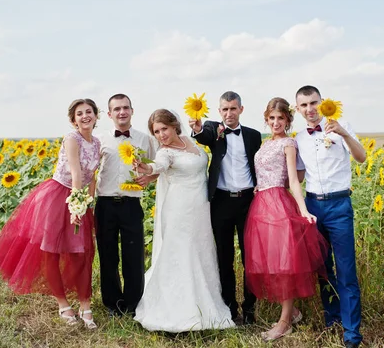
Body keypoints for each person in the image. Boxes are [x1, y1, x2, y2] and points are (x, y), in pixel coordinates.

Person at [0, 98, 101, 329]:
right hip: (58, 198)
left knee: (83, 252)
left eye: (89, 112)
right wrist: (76, 206)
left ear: (97, 116)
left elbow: (92, 176)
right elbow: (76, 173)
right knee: (52, 252)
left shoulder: (97, 142)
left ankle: (85, 305)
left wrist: (89, 202)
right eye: (80, 113)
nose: (85, 116)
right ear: (73, 120)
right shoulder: (71, 139)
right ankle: (62, 304)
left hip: (80, 198)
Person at [132, 109, 235, 332]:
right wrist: (145, 168)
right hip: (179, 209)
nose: (161, 135)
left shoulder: (190, 140)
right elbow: (156, 166)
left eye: (164, 129)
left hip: (201, 208)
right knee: (181, 253)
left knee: (201, 251)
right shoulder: (165, 153)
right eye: (156, 131)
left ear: (174, 125)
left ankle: (207, 300)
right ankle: (182, 310)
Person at [244, 97, 329, 341]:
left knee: (284, 264)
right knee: (269, 262)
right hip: (260, 205)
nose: (275, 122)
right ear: (266, 119)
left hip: (279, 205)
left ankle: (284, 323)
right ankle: (291, 312)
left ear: (288, 120)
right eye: (271, 118)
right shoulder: (263, 144)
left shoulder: (289, 144)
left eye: (280, 118)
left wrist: (302, 209)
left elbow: (293, 179)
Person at [295, 85, 367, 348]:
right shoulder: (299, 138)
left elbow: (361, 157)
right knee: (323, 269)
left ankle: (351, 335)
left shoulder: (341, 125)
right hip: (313, 207)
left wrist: (344, 133)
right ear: (298, 109)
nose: (309, 109)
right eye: (303, 105)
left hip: (339, 206)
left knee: (346, 271)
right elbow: (298, 177)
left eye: (313, 103)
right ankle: (332, 321)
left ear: (322, 102)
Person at [189, 91, 262, 324]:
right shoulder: (213, 130)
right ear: (219, 111)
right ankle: (229, 308)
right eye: (224, 109)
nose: (229, 113)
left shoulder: (253, 135)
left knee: (250, 257)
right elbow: (202, 136)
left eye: (233, 108)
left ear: (241, 109)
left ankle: (250, 307)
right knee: (224, 256)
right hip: (220, 202)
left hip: (248, 201)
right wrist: (198, 129)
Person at [95, 93, 156, 317]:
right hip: (105, 204)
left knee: (134, 255)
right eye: (117, 109)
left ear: (132, 111)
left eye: (126, 108)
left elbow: (157, 166)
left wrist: (149, 178)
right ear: (109, 114)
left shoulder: (144, 139)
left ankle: (133, 304)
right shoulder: (99, 139)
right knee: (108, 254)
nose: (122, 112)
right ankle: (113, 304)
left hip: (131, 204)